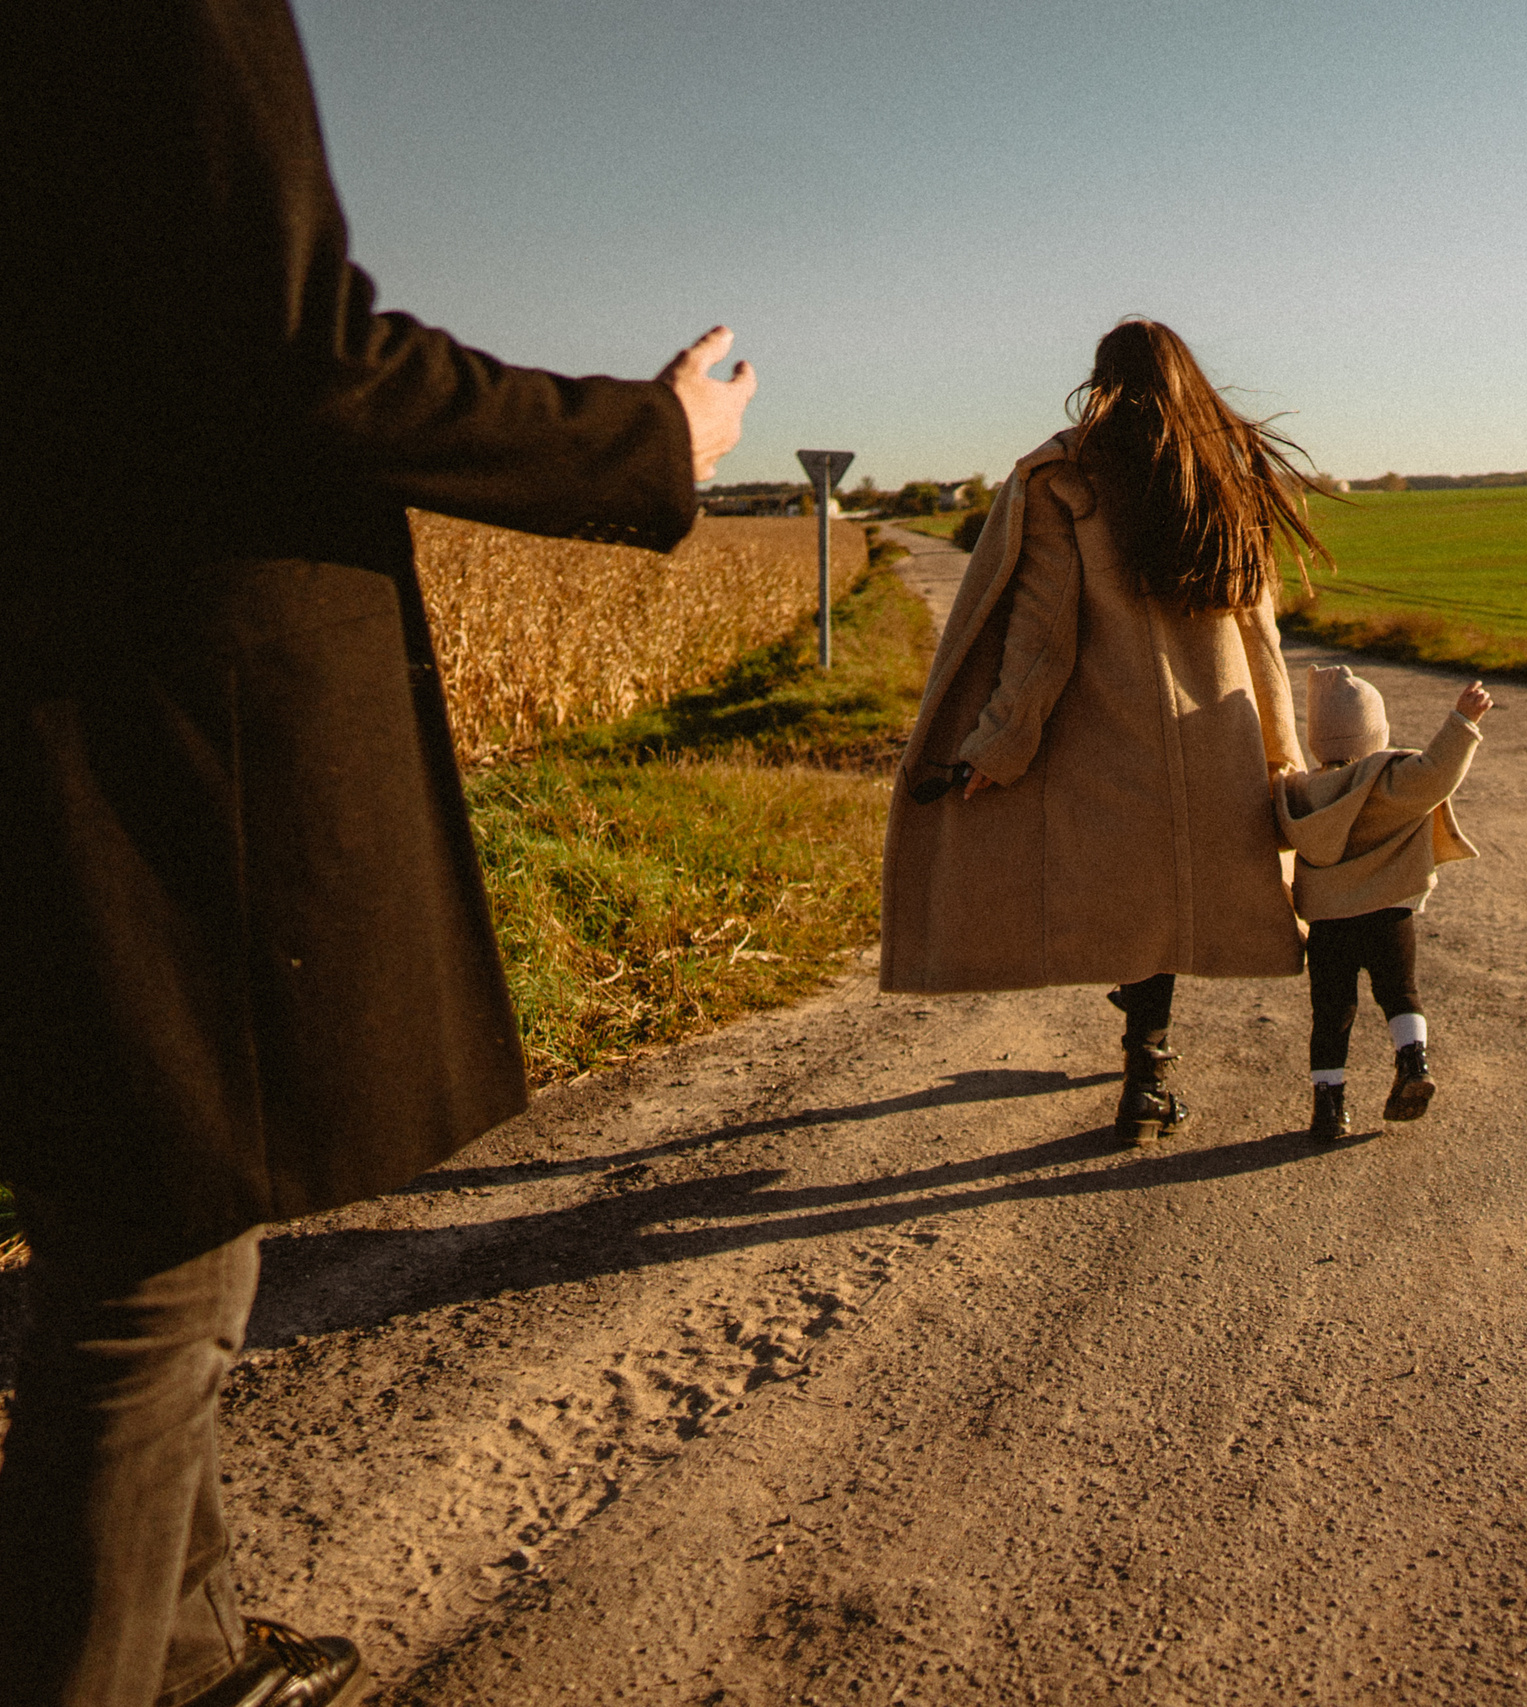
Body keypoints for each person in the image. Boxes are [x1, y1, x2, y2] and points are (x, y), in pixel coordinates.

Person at [0, 5, 756, 1705]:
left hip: (61, 673)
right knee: (146, 1269)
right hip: (139, 704)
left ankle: (187, 1656)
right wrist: (648, 442)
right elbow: (293, 350)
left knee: (149, 1203)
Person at [881, 320, 1323, 1144]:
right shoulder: (1227, 477)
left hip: (1109, 735)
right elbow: (1261, 629)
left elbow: (1041, 634)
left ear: (1104, 380)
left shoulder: (1067, 479)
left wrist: (998, 744)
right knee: (1166, 895)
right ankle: (1147, 1073)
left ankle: (1145, 1066)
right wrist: (1278, 750)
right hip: (1216, 734)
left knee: (1133, 891)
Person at [1275, 667, 1492, 1143]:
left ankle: (1329, 1107)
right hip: (1389, 913)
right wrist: (1462, 721)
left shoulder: (1297, 794)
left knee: (1331, 1014)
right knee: (1400, 993)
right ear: (1375, 732)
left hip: (1329, 925)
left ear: (1318, 741)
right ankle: (1413, 1061)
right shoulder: (1388, 781)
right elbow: (1438, 771)